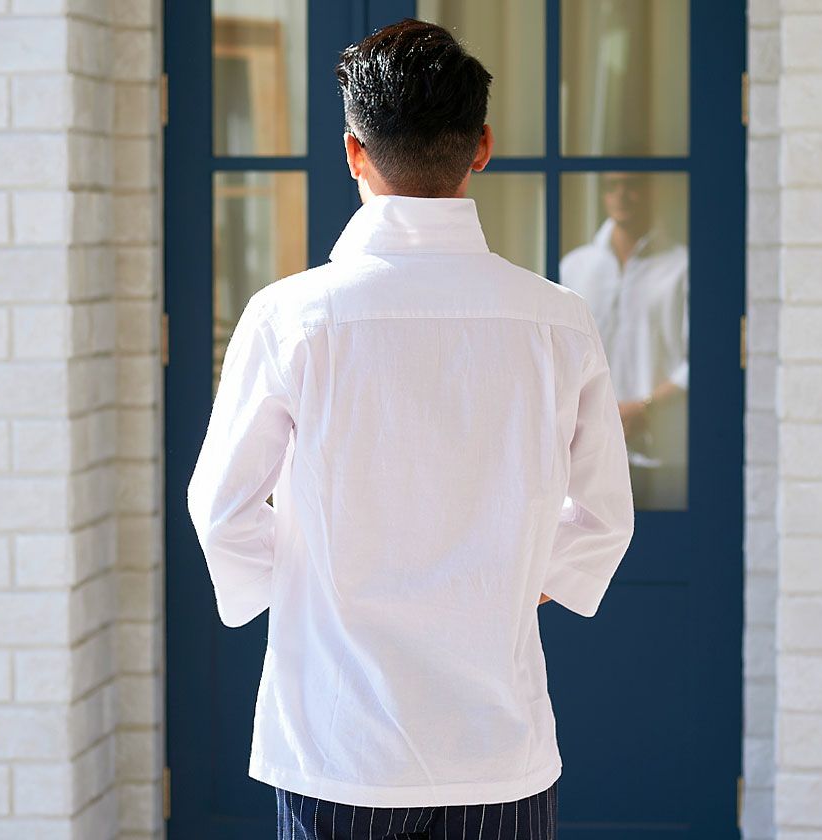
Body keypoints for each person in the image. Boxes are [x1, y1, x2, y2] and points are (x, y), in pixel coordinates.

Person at [187, 18, 634, 840]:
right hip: (497, 749)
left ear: (353, 152)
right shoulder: (556, 320)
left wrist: (313, 582)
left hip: (336, 746)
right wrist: (518, 578)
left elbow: (222, 512)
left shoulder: (290, 318)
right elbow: (605, 516)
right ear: (483, 146)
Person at [560, 172, 689, 509]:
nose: (621, 195)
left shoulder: (682, 267)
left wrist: (644, 407)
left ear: (650, 191)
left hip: (661, 454)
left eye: (632, 185)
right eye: (611, 186)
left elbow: (699, 359)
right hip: (586, 451)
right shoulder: (574, 266)